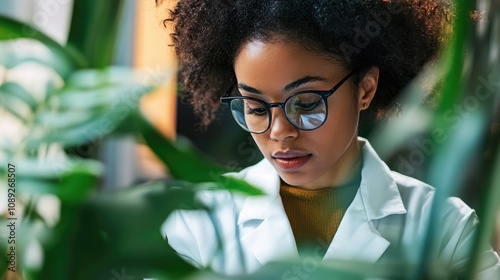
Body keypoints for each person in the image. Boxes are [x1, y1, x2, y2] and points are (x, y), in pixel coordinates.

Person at [158, 0, 500, 278]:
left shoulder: (446, 231)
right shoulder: (198, 221)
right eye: (256, 107)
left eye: (306, 103)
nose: (280, 131)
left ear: (365, 89)